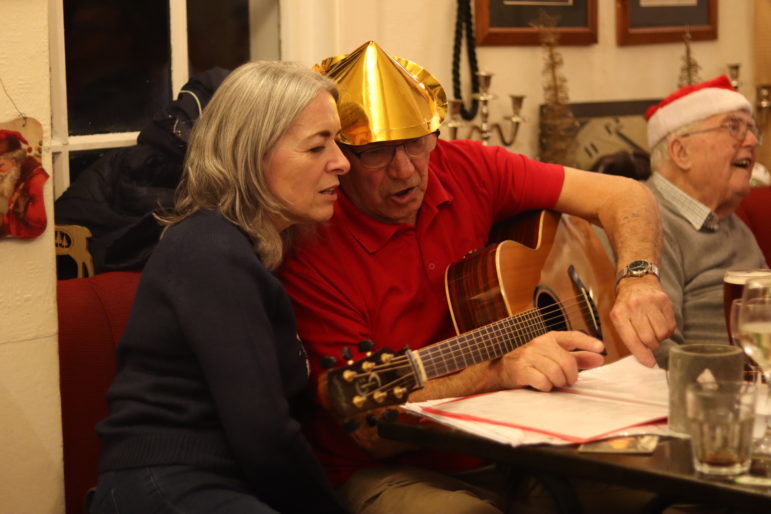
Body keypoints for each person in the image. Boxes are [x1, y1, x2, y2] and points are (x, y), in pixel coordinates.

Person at [278, 41, 675, 514]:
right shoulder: (312, 246)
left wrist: (637, 278)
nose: (405, 169)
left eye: (417, 141)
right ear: (341, 156)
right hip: (390, 470)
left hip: (520, 443)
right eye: (378, 153)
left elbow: (624, 194)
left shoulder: (465, 167)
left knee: (674, 491)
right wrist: (496, 372)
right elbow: (368, 430)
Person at [91, 61, 350, 514]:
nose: (342, 162)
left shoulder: (244, 248)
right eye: (317, 147)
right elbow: (263, 432)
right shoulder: (209, 249)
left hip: (220, 483)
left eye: (338, 141)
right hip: (166, 485)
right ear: (252, 155)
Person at [643, 75, 767, 368]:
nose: (751, 141)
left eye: (751, 129)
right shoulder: (646, 221)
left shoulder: (730, 222)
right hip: (711, 399)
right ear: (681, 152)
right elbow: (655, 354)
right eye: (733, 127)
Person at [0, 130, 48, 239]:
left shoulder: (36, 179)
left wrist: (23, 208)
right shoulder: (14, 178)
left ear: (14, 161)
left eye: (0, 166)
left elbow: (40, 221)